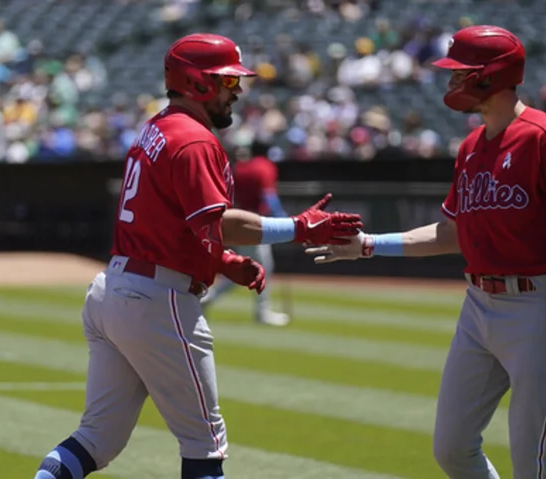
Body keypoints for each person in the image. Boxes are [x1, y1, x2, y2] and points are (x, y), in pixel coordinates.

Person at [32, 33, 362, 479]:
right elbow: (217, 222)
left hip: (113, 289)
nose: (237, 91)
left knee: (96, 439)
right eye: (228, 82)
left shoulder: (157, 127)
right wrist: (300, 228)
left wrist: (222, 262)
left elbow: (167, 221)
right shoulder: (194, 140)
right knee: (204, 446)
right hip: (157, 300)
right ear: (199, 83)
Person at [306, 25, 546, 479]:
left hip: (539, 309)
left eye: (461, 72)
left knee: (531, 463)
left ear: (490, 76)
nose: (452, 81)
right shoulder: (472, 146)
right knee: (452, 448)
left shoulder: (544, 137)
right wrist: (368, 246)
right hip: (478, 307)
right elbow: (450, 233)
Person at [201, 139, 290, 326]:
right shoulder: (264, 167)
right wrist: (285, 223)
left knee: (245, 268)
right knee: (261, 268)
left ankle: (208, 298)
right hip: (258, 225)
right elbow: (270, 198)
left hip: (237, 222)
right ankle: (262, 312)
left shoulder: (240, 168)